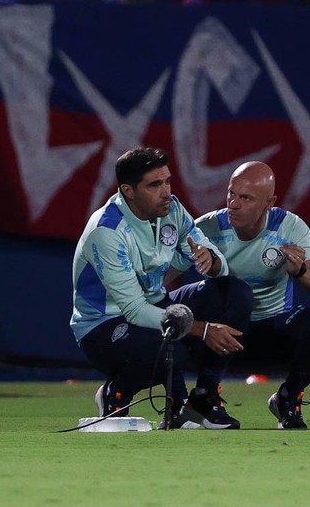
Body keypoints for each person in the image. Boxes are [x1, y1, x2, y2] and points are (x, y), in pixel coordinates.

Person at [71, 146, 254, 429]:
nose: (166, 191)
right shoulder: (106, 232)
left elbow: (214, 259)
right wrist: (203, 329)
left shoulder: (172, 210)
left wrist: (213, 261)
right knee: (174, 348)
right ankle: (116, 392)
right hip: (104, 326)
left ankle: (202, 400)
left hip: (156, 306)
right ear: (128, 191)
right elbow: (133, 310)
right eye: (155, 185)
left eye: (167, 181)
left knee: (235, 293)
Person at [191, 161, 310, 429]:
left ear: (270, 202)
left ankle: (288, 398)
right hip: (217, 339)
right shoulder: (206, 228)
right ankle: (201, 396)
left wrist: (301, 270)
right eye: (231, 193)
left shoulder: (290, 228)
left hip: (269, 334)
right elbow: (162, 278)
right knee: (214, 300)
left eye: (245, 198)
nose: (234, 203)